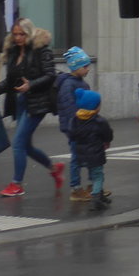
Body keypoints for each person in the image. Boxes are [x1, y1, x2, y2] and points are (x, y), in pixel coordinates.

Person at [0, 19, 64, 197]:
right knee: (25, 145)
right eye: (15, 34)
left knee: (18, 143)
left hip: (37, 103)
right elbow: (10, 82)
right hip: (20, 102)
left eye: (22, 34)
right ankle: (53, 168)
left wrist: (31, 85)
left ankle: (16, 184)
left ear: (29, 33)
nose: (18, 38)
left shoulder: (42, 50)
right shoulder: (13, 52)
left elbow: (51, 76)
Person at [55, 47, 94, 201]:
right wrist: (77, 126)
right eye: (85, 66)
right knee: (77, 158)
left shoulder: (79, 83)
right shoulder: (68, 85)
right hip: (75, 128)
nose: (88, 69)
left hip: (84, 126)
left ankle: (92, 186)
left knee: (89, 155)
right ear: (76, 66)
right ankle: (76, 188)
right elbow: (69, 109)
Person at [69, 88, 114, 211]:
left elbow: (72, 135)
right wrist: (107, 141)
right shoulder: (99, 121)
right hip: (95, 153)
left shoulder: (75, 119)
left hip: (81, 153)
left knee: (95, 175)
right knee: (98, 176)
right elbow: (107, 134)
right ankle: (96, 199)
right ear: (95, 107)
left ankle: (99, 195)